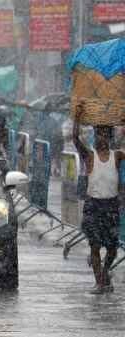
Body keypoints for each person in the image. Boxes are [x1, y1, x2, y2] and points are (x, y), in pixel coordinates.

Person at [73, 104, 124, 294]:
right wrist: (77, 119)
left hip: (111, 206)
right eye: (98, 134)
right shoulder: (89, 156)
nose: (101, 138)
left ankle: (104, 273)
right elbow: (75, 139)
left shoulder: (117, 156)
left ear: (109, 138)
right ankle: (99, 282)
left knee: (112, 248)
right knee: (94, 246)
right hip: (93, 206)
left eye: (104, 134)